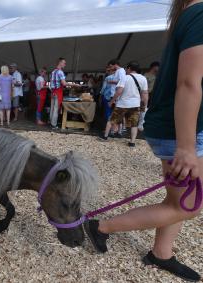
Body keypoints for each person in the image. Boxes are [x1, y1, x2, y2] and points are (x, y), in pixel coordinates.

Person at [86, 1, 203, 281]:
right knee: (187, 206)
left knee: (177, 201)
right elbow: (189, 83)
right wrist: (185, 147)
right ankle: (101, 226)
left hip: (182, 127)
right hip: (181, 131)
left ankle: (161, 253)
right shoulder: (200, 14)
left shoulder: (189, 16)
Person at [99, 61, 148, 147]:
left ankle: (105, 136)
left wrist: (111, 101)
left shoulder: (125, 78)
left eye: (126, 68)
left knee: (111, 120)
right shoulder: (143, 78)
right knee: (134, 124)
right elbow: (145, 94)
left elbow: (119, 91)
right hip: (135, 104)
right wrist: (144, 105)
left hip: (122, 104)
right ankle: (132, 142)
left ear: (129, 68)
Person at [49, 58, 67, 129]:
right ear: (60, 63)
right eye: (64, 63)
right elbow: (64, 83)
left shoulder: (53, 72)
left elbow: (51, 83)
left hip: (53, 92)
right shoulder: (60, 72)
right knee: (56, 109)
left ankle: (51, 122)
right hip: (58, 92)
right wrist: (75, 85)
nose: (65, 64)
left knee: (52, 108)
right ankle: (54, 124)